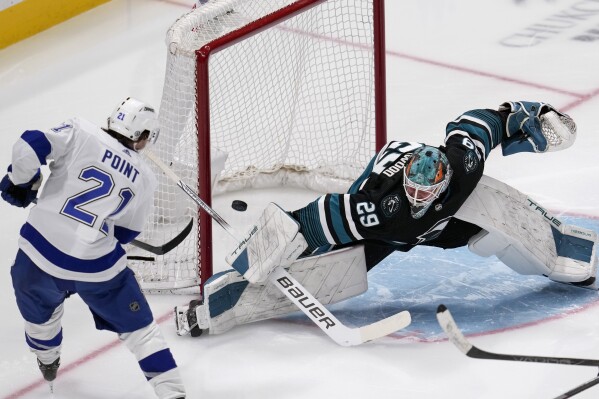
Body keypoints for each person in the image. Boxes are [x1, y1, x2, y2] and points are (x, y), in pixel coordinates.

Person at [175, 100, 596, 338]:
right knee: (331, 274)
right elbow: (313, 220)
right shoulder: (378, 207)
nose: (416, 199)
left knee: (499, 215)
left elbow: (484, 123)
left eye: (425, 192)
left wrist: (528, 116)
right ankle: (220, 306)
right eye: (411, 191)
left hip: (450, 221)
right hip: (388, 234)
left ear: (443, 180)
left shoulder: (462, 162)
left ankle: (569, 252)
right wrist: (265, 249)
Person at [0, 98, 186, 398]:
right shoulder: (145, 178)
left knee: (40, 318)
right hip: (96, 267)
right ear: (143, 137)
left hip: (37, 255)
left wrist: (22, 182)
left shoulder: (80, 131)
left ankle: (48, 362)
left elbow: (29, 143)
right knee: (142, 332)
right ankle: (172, 393)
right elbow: (127, 232)